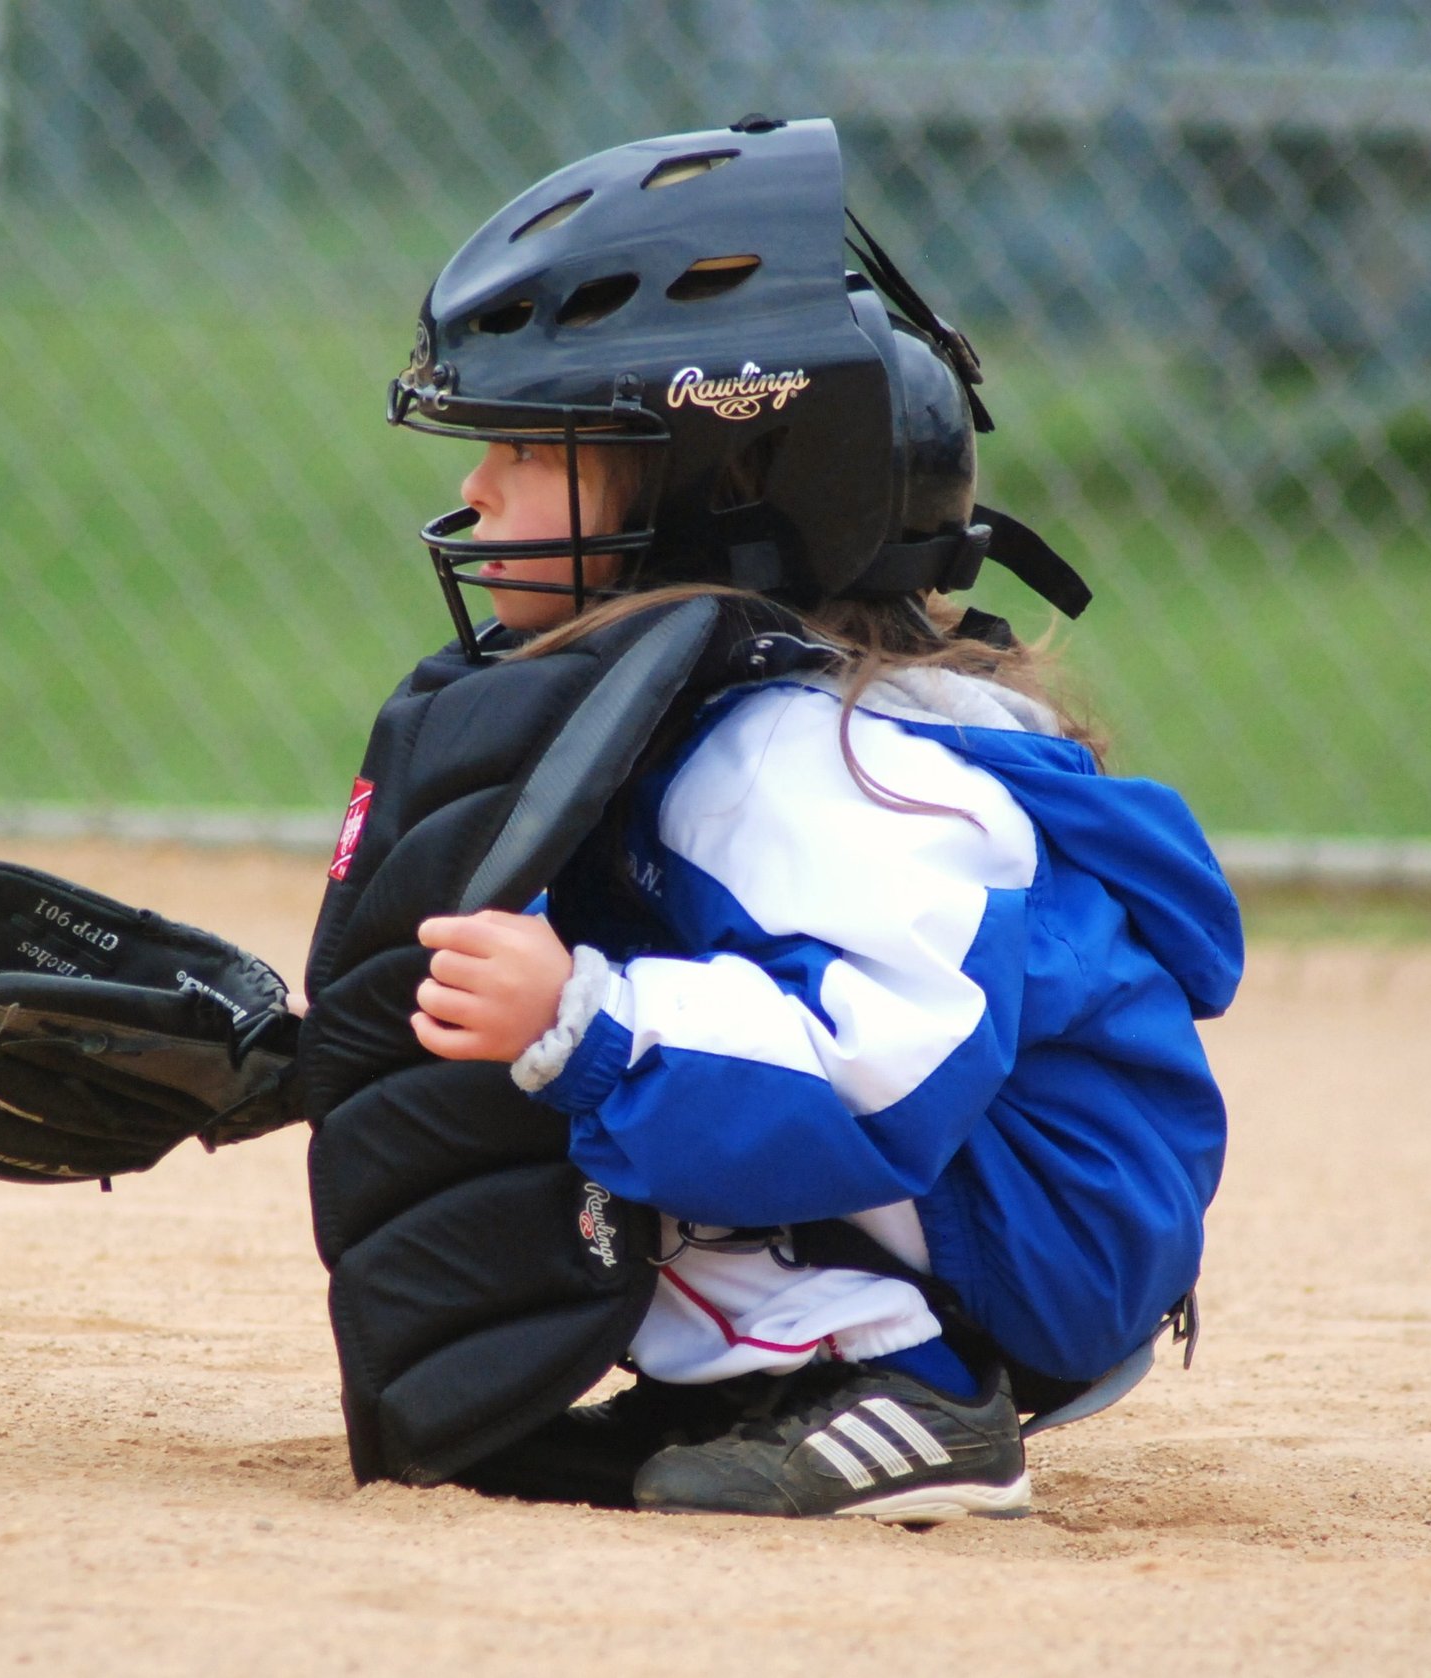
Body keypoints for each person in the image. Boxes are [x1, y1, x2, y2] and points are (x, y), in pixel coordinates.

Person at [361, 116, 1245, 1522]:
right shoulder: (709, 715)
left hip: (1045, 1218)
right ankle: (776, 1358)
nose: (474, 493)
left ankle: (912, 1381)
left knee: (579, 1048)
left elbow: (884, 1062)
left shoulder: (788, 752)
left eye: (528, 448)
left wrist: (586, 1021)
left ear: (713, 499)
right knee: (562, 1040)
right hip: (987, 1173)